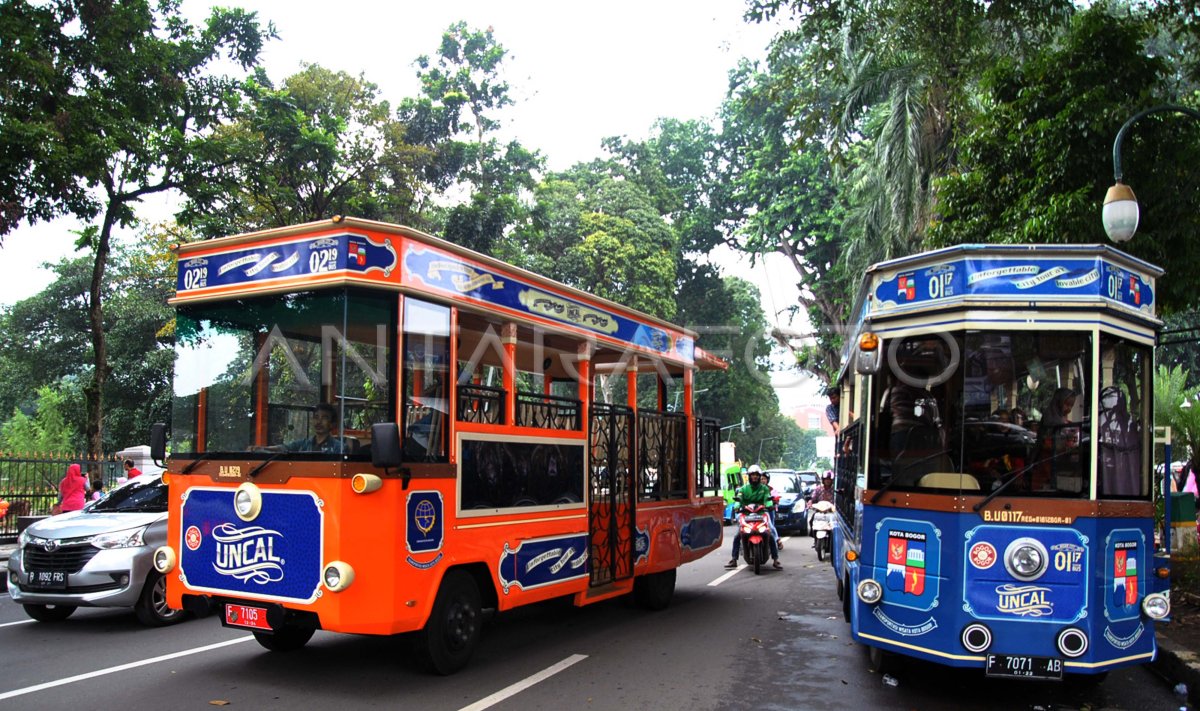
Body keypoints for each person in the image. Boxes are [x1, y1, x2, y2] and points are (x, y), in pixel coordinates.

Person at [725, 465, 781, 570]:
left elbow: (768, 499)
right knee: (738, 535)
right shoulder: (743, 489)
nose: (754, 477)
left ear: (759, 477)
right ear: (749, 477)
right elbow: (738, 500)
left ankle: (775, 559)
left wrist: (769, 505)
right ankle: (734, 559)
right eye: (752, 475)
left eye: (756, 475)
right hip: (746, 514)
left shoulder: (764, 489)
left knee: (770, 532)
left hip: (761, 513)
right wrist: (737, 507)